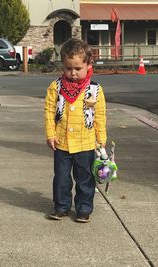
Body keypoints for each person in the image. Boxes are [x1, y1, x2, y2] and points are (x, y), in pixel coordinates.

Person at [44, 38, 107, 223]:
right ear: (62, 66)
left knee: (85, 179)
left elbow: (100, 115)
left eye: (78, 68)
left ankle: (83, 209)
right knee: (61, 178)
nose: (72, 73)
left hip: (86, 143)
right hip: (61, 142)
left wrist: (101, 139)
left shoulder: (95, 90)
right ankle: (61, 206)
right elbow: (48, 111)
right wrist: (50, 134)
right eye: (68, 68)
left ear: (88, 65)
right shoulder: (56, 87)